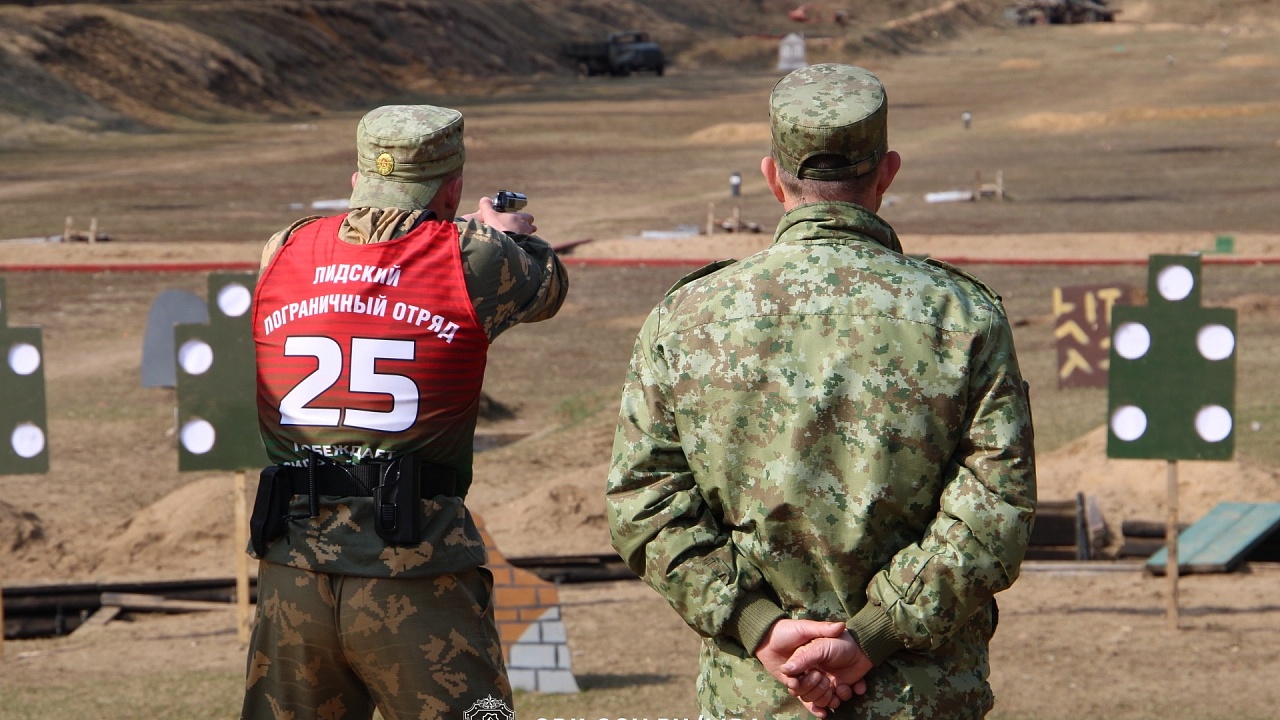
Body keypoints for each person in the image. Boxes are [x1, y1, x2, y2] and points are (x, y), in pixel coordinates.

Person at [606, 63, 1036, 719]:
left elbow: (646, 502)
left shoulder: (686, 319)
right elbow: (992, 513)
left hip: (757, 697)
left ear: (771, 176)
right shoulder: (963, 318)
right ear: (887, 173)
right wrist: (874, 635)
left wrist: (760, 627)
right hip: (920, 699)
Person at [244, 104, 568, 720]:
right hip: (416, 571)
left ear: (357, 181)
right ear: (452, 187)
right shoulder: (475, 255)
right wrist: (509, 234)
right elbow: (547, 287)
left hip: (293, 566)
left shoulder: (284, 247)